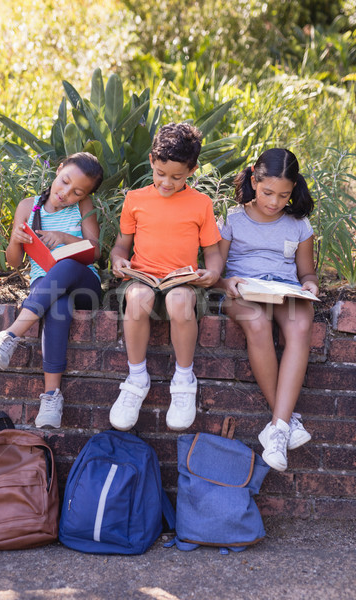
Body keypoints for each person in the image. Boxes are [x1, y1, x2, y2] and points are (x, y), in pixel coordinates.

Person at [110, 122, 222, 432]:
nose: (166, 183)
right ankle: (136, 378)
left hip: (182, 281)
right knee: (138, 298)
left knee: (179, 300)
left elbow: (212, 253)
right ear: (151, 161)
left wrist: (211, 273)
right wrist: (119, 260)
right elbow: (122, 244)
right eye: (161, 174)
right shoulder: (135, 199)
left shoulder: (201, 204)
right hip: (141, 278)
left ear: (192, 170)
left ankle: (184, 380)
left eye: (177, 177)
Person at [0, 152, 103, 429]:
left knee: (66, 265)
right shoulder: (28, 206)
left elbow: (96, 250)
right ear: (58, 170)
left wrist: (63, 238)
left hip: (84, 284)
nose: (66, 193)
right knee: (58, 306)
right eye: (64, 182)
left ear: (85, 195)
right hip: (45, 286)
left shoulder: (83, 206)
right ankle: (51, 397)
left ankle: (11, 335)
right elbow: (13, 262)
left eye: (77, 192)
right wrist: (15, 239)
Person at [218, 148, 319, 471]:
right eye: (267, 193)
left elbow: (307, 273)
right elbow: (215, 271)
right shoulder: (232, 218)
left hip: (285, 289)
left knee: (301, 326)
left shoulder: (298, 224)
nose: (275, 202)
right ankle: (286, 422)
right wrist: (225, 284)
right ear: (253, 179)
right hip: (244, 289)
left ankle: (277, 427)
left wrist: (311, 285)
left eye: (284, 195)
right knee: (258, 324)